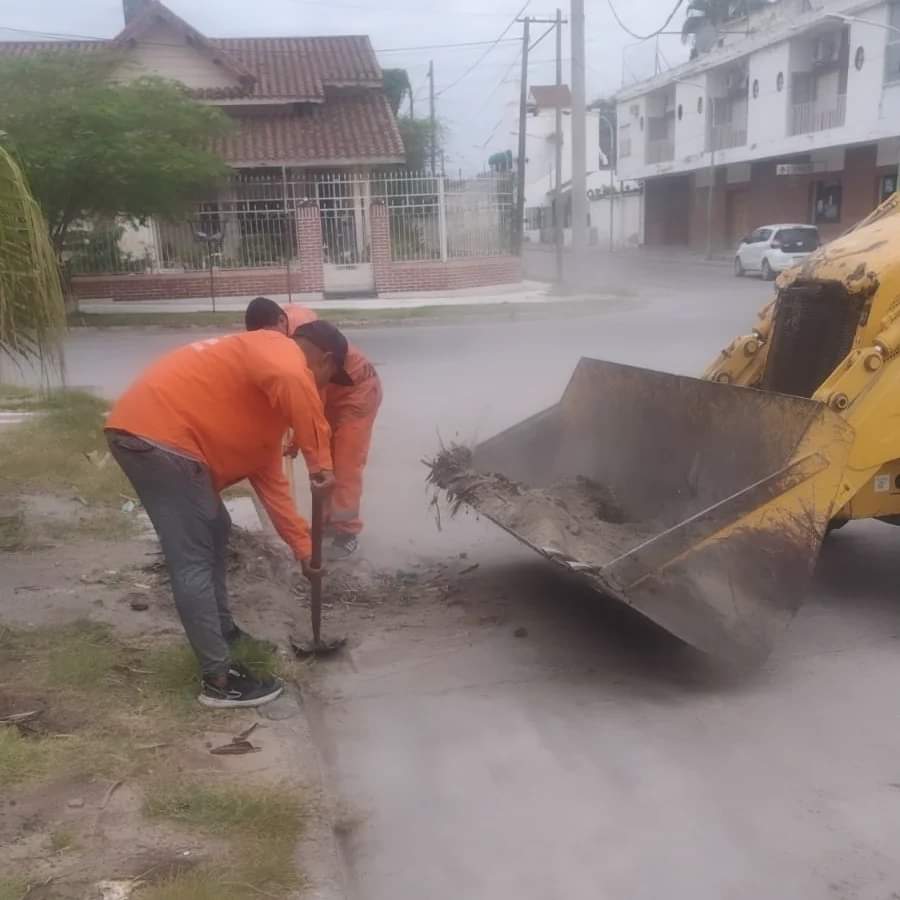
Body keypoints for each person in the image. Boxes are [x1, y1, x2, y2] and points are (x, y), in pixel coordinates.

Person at [105, 329, 342, 709]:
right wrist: (320, 462)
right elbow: (293, 379)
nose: (319, 393)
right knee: (193, 554)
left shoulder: (263, 415)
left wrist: (303, 550)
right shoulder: (279, 350)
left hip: (158, 435)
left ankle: (224, 632)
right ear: (325, 361)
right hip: (160, 438)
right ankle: (218, 681)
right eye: (327, 383)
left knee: (217, 528)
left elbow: (274, 489)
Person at [245, 297, 383, 560]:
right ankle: (324, 526)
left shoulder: (303, 334)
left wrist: (300, 437)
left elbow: (309, 396)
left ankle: (346, 532)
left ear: (282, 322)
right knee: (324, 462)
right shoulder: (277, 329)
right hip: (328, 392)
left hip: (357, 393)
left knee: (342, 465)